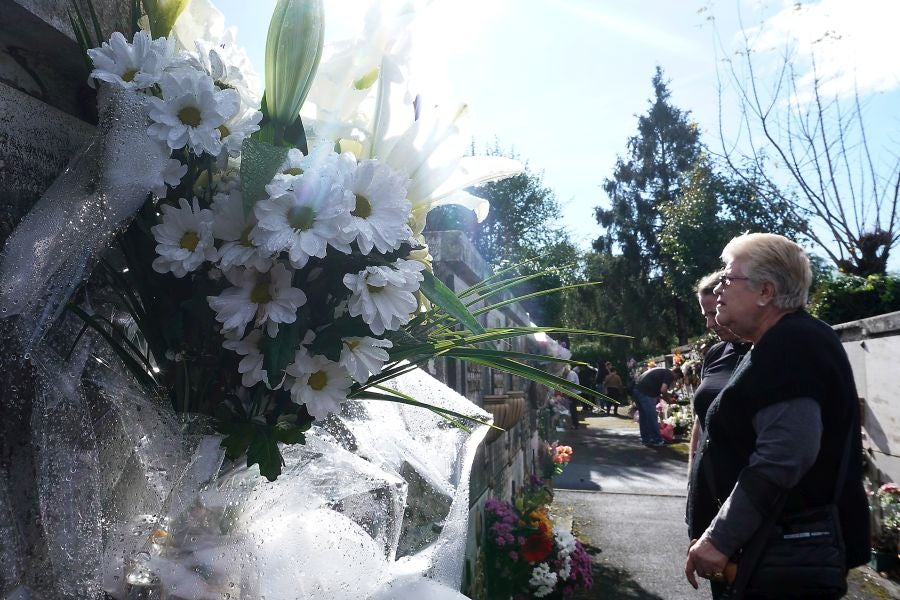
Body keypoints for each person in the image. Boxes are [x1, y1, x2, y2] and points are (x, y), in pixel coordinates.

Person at [684, 233, 870, 598]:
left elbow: (784, 456)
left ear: (765, 292)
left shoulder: (792, 344)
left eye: (727, 277)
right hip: (765, 550)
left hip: (781, 556)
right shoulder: (778, 342)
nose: (718, 287)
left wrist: (719, 538)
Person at [687, 271, 751, 474]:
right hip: (710, 481)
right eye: (705, 316)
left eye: (714, 313)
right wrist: (692, 471)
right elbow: (700, 418)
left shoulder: (768, 349)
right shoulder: (715, 353)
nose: (710, 324)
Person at [633, 365, 683, 446]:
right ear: (676, 373)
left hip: (637, 389)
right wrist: (669, 400)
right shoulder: (669, 374)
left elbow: (659, 392)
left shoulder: (662, 371)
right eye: (677, 378)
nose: (675, 380)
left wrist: (668, 399)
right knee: (652, 417)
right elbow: (663, 390)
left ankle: (646, 439)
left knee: (644, 417)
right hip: (646, 393)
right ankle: (658, 440)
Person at [563, 364, 582, 429]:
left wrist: (562, 386)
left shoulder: (571, 374)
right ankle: (575, 424)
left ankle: (575, 424)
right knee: (573, 410)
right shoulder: (570, 373)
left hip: (574, 394)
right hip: (573, 394)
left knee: (573, 410)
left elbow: (570, 383)